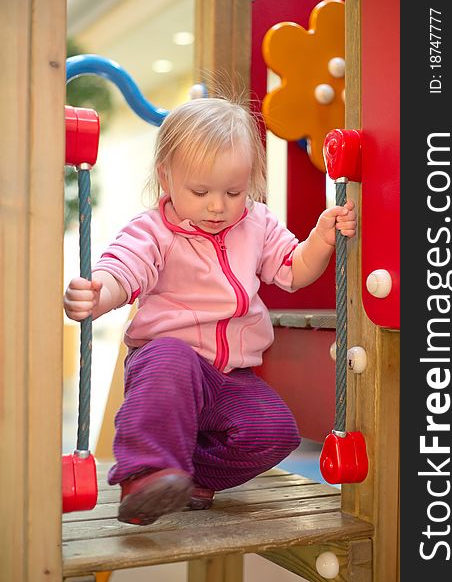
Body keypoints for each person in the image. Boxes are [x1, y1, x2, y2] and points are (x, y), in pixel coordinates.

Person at [64, 96, 356, 526]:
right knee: (170, 355)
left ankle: (186, 478)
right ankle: (147, 474)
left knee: (274, 433)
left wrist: (321, 238)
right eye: (200, 192)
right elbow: (123, 270)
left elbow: (293, 271)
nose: (217, 206)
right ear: (167, 177)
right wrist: (97, 293)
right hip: (167, 368)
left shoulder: (257, 223)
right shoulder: (153, 231)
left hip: (229, 377)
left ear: (250, 182)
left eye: (233, 192)